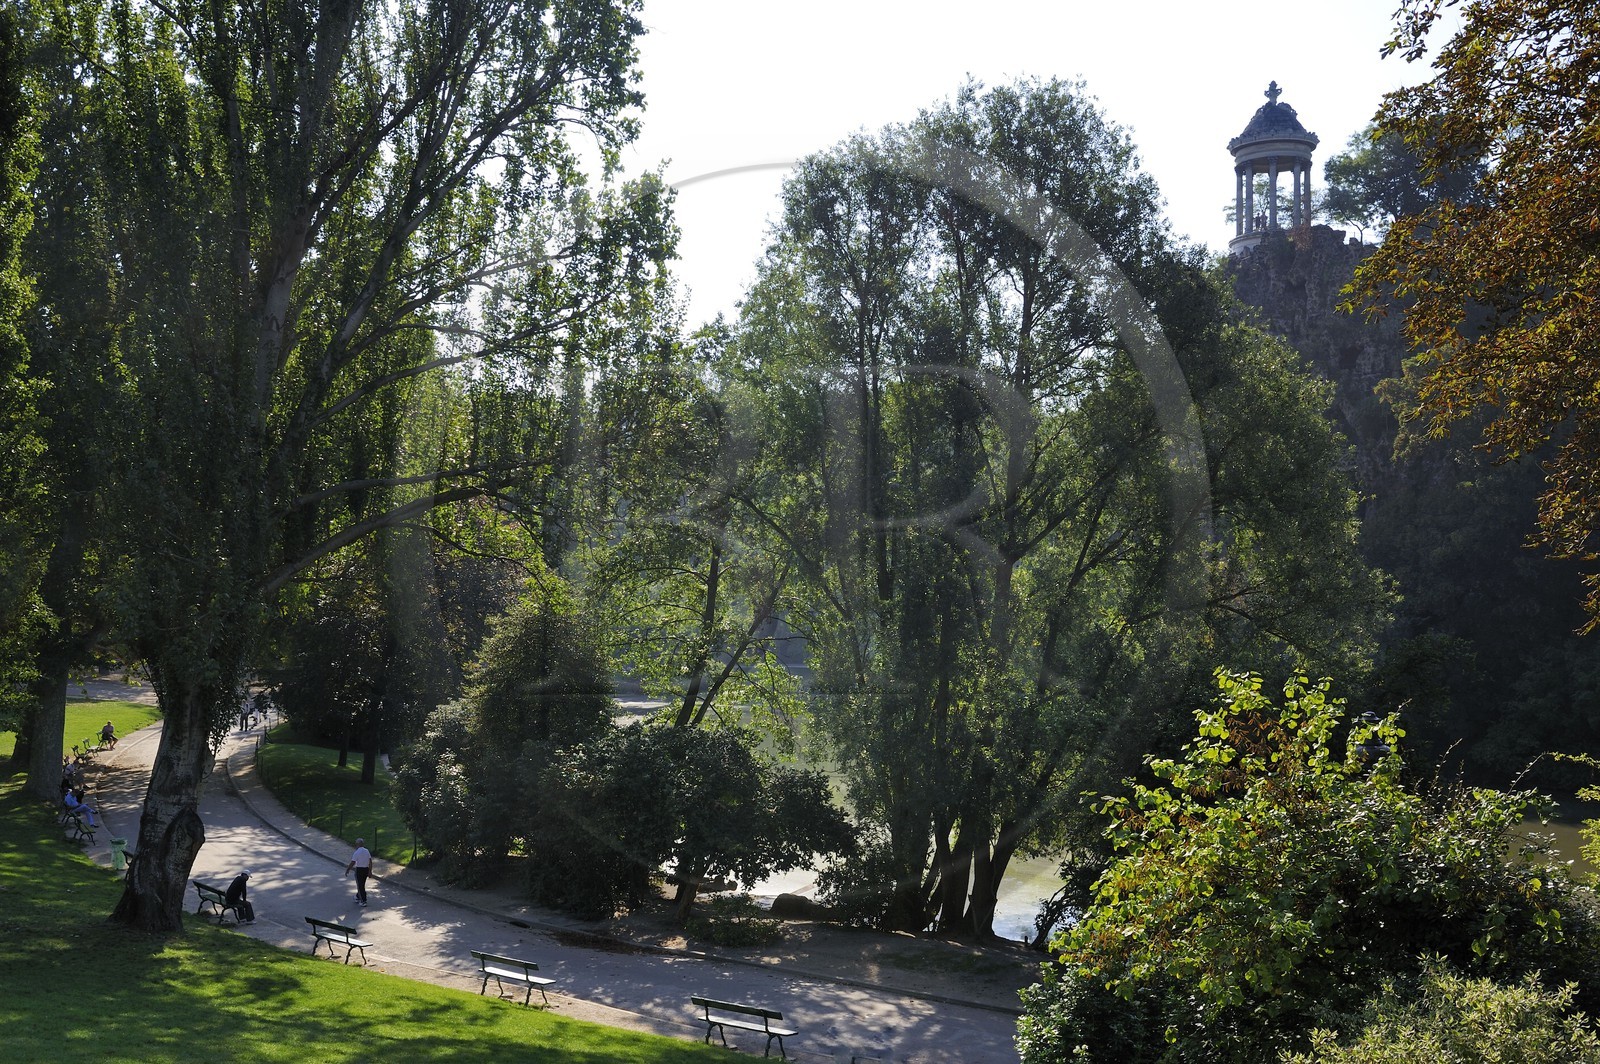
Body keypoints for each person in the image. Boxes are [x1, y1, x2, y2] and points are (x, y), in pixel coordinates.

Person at [345, 838, 372, 905]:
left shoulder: (357, 852)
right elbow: (370, 862)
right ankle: (357, 896)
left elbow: (353, 862)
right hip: (366, 869)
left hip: (359, 870)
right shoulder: (367, 851)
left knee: (360, 886)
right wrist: (370, 871)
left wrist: (348, 869)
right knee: (362, 885)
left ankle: (363, 901)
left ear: (357, 844)